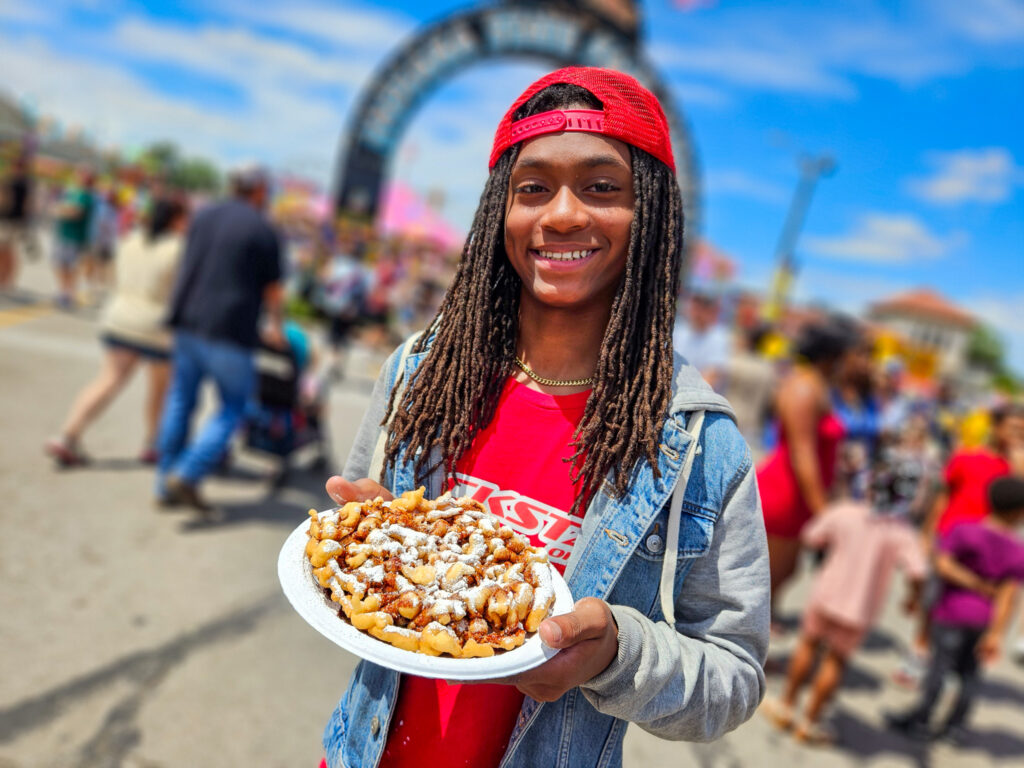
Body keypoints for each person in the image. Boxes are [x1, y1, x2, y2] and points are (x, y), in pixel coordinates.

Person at [318, 67, 769, 768]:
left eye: (600, 187)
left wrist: (617, 654)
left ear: (649, 213)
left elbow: (733, 675)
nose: (561, 214)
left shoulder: (697, 443)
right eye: (533, 188)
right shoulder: (420, 372)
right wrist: (369, 542)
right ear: (501, 209)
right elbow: (349, 561)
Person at [761, 456, 928, 745]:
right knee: (836, 661)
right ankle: (810, 722)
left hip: (826, 595)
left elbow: (812, 537)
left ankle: (787, 705)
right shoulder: (901, 531)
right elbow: (918, 570)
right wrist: (913, 597)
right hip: (861, 609)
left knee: (807, 645)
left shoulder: (845, 513)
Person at [155, 167, 284, 511]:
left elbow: (188, 264)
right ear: (258, 189)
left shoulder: (204, 215)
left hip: (189, 322)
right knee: (234, 406)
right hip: (232, 330)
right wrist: (276, 327)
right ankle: (187, 472)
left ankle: (163, 484)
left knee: (180, 400)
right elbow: (273, 290)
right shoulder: (263, 229)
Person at [45, 196, 189, 466]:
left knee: (107, 380)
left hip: (120, 317)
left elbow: (113, 276)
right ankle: (152, 443)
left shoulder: (131, 239)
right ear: (177, 219)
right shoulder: (180, 247)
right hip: (158, 326)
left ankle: (68, 435)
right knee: (160, 389)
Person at [886, 476, 1024, 742]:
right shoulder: (1017, 551)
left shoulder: (964, 530)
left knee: (939, 668)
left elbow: (942, 564)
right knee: (970, 674)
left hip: (951, 612)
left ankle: (922, 717)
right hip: (983, 619)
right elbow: (1008, 596)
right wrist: (996, 633)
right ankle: (955, 725)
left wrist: (973, 583)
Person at [756, 317, 860, 625]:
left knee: (784, 574)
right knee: (767, 580)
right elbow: (803, 454)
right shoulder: (803, 386)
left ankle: (757, 645)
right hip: (785, 493)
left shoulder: (817, 386)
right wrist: (825, 513)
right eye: (854, 353)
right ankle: (748, 652)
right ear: (834, 354)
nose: (858, 361)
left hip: (798, 497)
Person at [51, 169, 96, 309]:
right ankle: (64, 292)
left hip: (75, 237)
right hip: (64, 234)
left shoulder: (86, 196)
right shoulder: (72, 193)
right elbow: (59, 208)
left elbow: (75, 213)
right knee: (60, 264)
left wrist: (61, 210)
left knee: (70, 266)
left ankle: (68, 294)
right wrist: (62, 209)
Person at [672, 288, 730, 391]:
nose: (697, 312)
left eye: (703, 308)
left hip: (700, 396)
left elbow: (712, 374)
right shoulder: (678, 330)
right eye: (695, 307)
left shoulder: (718, 337)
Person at [0, 153, 34, 291]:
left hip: (13, 221)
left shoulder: (18, 183)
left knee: (8, 251)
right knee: (7, 251)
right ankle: (5, 278)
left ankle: (7, 279)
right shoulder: (24, 183)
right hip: (11, 220)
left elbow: (5, 201)